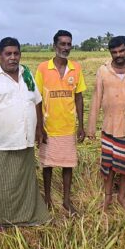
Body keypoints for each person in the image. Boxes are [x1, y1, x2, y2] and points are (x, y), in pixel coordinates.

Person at [0, 37, 51, 230]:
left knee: (24, 183)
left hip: (24, 139)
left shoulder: (27, 74)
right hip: (0, 141)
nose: (12, 58)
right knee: (1, 185)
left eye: (16, 53)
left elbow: (37, 101)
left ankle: (26, 216)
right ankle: (0, 219)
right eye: (8, 54)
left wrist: (39, 128)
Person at [86, 36, 125, 210]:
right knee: (109, 164)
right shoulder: (103, 70)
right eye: (114, 52)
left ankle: (121, 196)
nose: (118, 55)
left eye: (121, 51)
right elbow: (96, 98)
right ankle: (108, 196)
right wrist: (91, 128)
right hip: (109, 126)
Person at [34, 29, 86, 214]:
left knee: (68, 165)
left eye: (68, 44)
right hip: (48, 126)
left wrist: (81, 125)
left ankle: (66, 200)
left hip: (67, 126)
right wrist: (39, 127)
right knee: (47, 165)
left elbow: (78, 97)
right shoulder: (42, 68)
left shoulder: (76, 68)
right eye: (62, 44)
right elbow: (37, 99)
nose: (65, 47)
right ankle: (47, 199)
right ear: (54, 45)